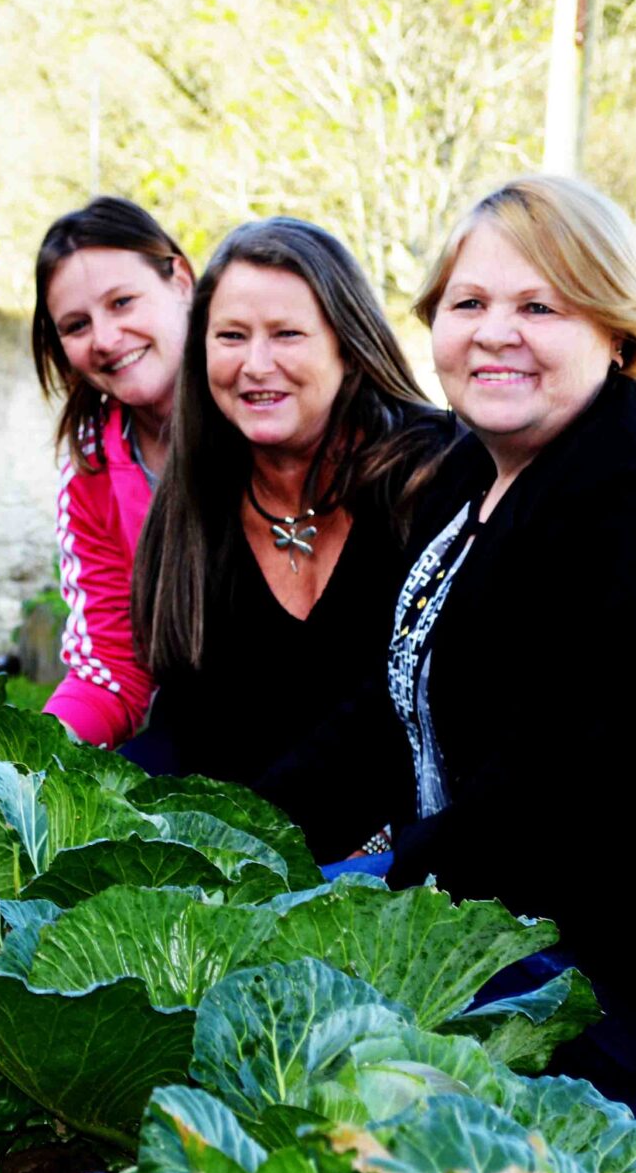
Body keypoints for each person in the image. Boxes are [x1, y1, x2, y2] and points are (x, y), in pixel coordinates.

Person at [264, 175, 636, 1173]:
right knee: (300, 953)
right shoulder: (479, 468)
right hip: (567, 898)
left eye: (539, 306)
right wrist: (250, 832)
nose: (496, 334)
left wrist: (369, 914)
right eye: (469, 304)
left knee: (458, 1050)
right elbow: (389, 699)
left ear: (616, 330)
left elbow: (557, 792)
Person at [129, 218, 451, 789]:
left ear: (348, 347)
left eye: (287, 335)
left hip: (414, 851)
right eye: (231, 336)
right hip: (253, 857)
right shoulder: (190, 506)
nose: (255, 365)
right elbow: (186, 727)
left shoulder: (433, 474)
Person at [30, 199, 193, 747]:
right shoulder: (90, 474)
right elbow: (113, 672)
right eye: (77, 325)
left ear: (181, 280)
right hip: (204, 737)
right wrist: (31, 760)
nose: (104, 337)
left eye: (122, 302)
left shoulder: (270, 415)